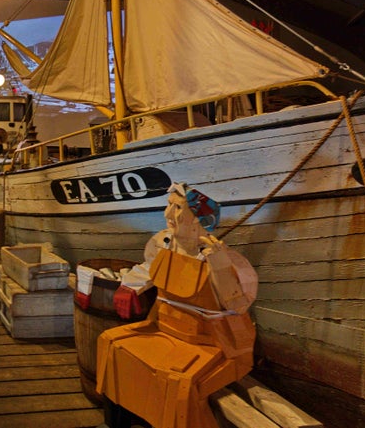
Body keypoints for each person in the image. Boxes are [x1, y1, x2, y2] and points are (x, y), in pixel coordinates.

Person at [96, 183, 258, 428]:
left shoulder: (225, 259)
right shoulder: (163, 242)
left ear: (198, 219)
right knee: (110, 342)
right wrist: (129, 285)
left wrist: (219, 265)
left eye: (178, 207)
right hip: (164, 325)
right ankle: (122, 420)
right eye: (168, 205)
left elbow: (238, 305)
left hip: (214, 341)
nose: (168, 214)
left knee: (178, 381)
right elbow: (149, 267)